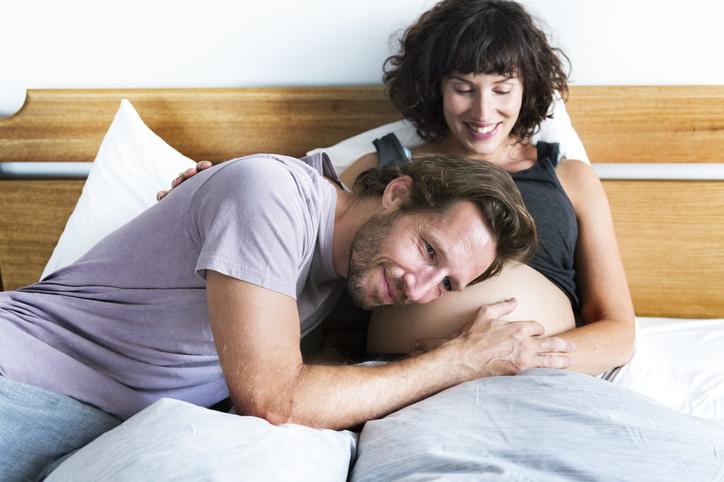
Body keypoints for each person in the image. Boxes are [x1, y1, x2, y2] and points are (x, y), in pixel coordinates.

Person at [0, 151, 576, 481]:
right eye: (428, 250)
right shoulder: (271, 194)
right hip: (22, 379)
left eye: (447, 284)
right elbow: (274, 399)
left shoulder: (341, 271)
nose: (419, 288)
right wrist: (460, 360)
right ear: (398, 193)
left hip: (86, 425)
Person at [165, 0, 635, 376]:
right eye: (464, 87)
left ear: (527, 88)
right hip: (401, 383)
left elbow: (618, 329)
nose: (483, 111)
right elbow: (300, 237)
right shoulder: (385, 170)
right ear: (436, 87)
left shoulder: (569, 178)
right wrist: (214, 195)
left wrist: (520, 358)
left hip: (543, 375)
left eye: (502, 88)